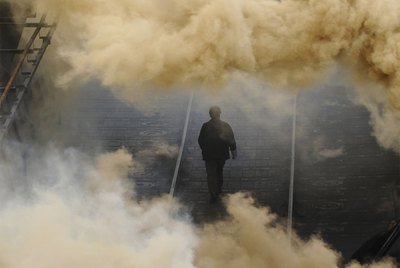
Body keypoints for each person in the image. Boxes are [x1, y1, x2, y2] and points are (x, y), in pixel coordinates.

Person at [198, 106, 237, 203]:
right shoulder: (225, 125)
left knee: (211, 174)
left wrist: (205, 149)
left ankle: (213, 192)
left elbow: (200, 140)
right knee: (219, 172)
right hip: (221, 154)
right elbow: (231, 139)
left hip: (209, 155)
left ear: (210, 114)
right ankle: (217, 189)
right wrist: (233, 151)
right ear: (220, 114)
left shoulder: (205, 126)